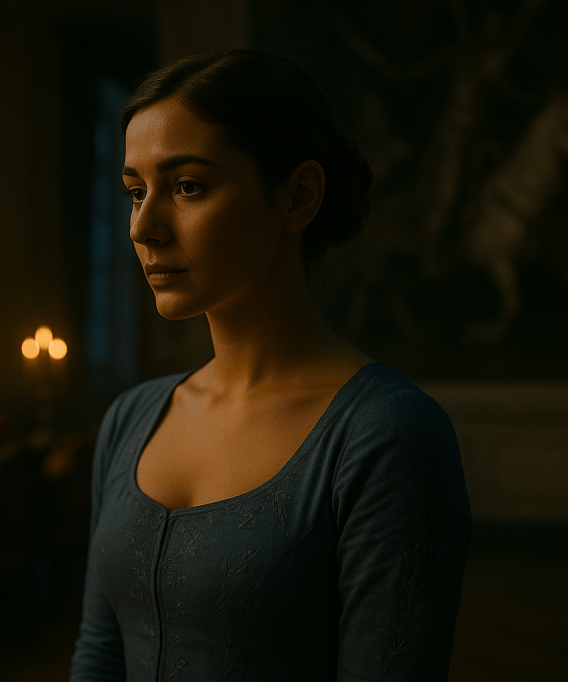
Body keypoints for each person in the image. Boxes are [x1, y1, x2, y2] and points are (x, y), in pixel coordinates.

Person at [69, 48, 471, 682]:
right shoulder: (130, 418)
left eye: (187, 186)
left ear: (297, 196)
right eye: (134, 192)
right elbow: (99, 652)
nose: (144, 227)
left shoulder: (389, 436)